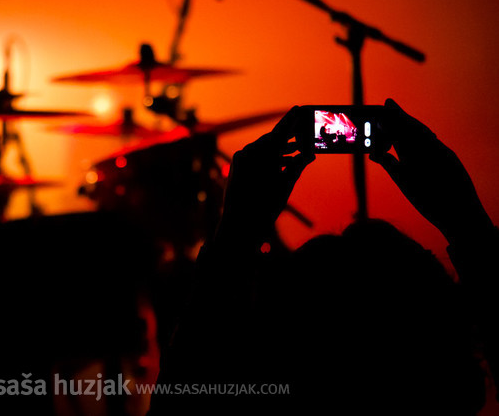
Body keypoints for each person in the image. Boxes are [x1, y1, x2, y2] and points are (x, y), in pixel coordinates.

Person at [148, 99, 498, 414]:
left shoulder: (275, 366)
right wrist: (467, 223)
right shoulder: (434, 369)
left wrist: (237, 234)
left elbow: (181, 397)